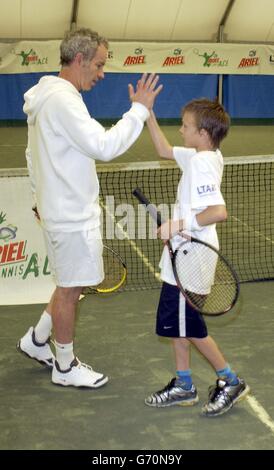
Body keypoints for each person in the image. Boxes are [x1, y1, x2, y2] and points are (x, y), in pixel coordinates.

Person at [17, 28, 162, 389]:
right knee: (70, 289)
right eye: (98, 64)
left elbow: (32, 155)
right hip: (69, 214)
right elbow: (104, 146)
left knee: (72, 282)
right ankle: (64, 367)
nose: (102, 73)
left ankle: (36, 341)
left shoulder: (46, 97)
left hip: (60, 208)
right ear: (79, 59)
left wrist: (39, 197)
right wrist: (139, 111)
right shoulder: (63, 101)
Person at [144, 98, 250, 416]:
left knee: (189, 326)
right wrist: (147, 114)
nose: (180, 129)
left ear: (203, 133)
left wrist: (179, 224)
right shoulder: (203, 154)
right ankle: (184, 384)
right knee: (180, 324)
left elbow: (218, 212)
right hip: (184, 252)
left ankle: (230, 380)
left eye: (186, 126)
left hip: (191, 256)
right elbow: (164, 150)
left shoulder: (202, 163)